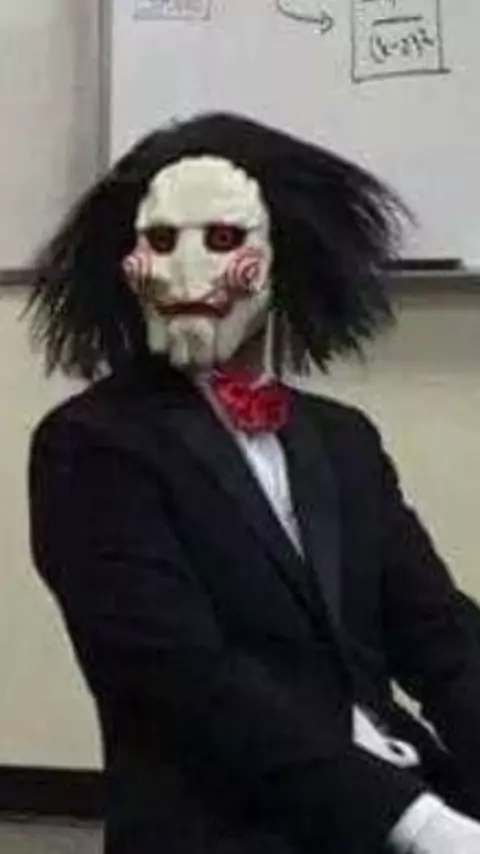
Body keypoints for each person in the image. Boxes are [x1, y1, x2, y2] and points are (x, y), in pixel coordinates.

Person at [27, 113, 480, 854]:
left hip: (401, 789)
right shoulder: (92, 446)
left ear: (283, 257)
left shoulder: (342, 439)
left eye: (223, 238)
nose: (186, 271)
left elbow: (439, 636)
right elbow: (184, 682)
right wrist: (420, 826)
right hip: (233, 826)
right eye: (161, 240)